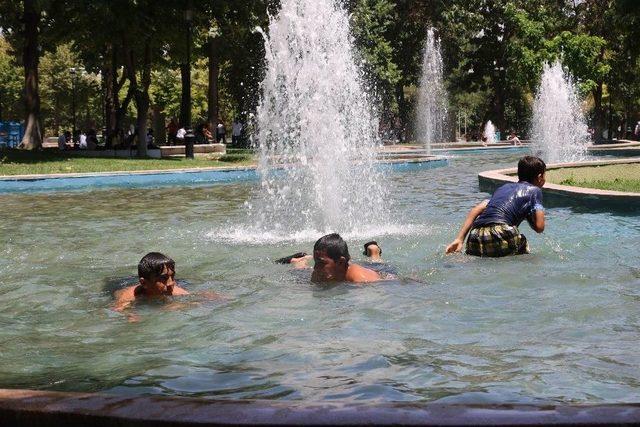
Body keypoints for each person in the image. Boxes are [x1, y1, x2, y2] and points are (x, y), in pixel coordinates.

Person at [445, 156, 546, 257]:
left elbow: (476, 209)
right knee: (523, 247)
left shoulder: (503, 188)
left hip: (475, 236)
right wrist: (528, 214)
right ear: (540, 177)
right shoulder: (535, 191)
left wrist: (459, 239)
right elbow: (539, 227)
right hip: (502, 232)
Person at [113, 252, 189, 314]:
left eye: (172, 276)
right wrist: (131, 315)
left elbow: (195, 302)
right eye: (163, 278)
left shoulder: (175, 291)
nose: (171, 283)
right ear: (144, 283)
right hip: (117, 284)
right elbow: (118, 309)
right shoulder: (130, 295)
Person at [312, 233, 381, 283]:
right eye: (315, 262)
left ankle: (373, 250)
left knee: (375, 262)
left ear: (340, 262)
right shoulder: (322, 271)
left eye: (321, 263)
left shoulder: (362, 280)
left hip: (378, 269)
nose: (315, 267)